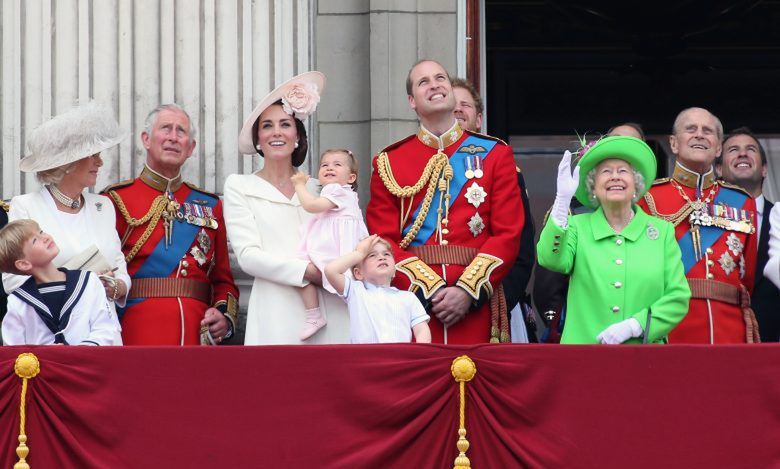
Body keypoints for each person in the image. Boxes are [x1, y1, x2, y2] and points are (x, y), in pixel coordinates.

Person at [367, 60, 524, 344]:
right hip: (414, 307)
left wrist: (467, 290)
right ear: (412, 101)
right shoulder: (389, 161)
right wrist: (428, 289)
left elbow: (508, 234)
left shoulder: (495, 154)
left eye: (440, 78)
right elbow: (383, 240)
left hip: (476, 303)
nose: (435, 84)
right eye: (423, 81)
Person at [225, 71, 349, 345]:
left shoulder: (322, 188)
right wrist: (307, 272)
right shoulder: (240, 186)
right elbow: (248, 256)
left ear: (297, 136)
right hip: (275, 310)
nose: (277, 132)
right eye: (267, 126)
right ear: (258, 139)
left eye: (285, 124)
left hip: (333, 308)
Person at [103, 104, 239, 345]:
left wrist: (223, 315)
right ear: (146, 139)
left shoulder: (210, 205)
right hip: (136, 328)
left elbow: (223, 279)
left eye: (181, 131)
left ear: (191, 148)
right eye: (166, 128)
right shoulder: (115, 200)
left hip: (196, 331)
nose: (173, 137)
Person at [537, 136, 690, 344]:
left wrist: (636, 325)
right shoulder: (576, 227)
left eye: (623, 171)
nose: (615, 177)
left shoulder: (662, 233)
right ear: (593, 187)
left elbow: (678, 297)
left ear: (636, 185)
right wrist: (562, 202)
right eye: (606, 172)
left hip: (644, 357)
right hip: (583, 357)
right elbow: (550, 259)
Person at [3, 102, 130, 346]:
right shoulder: (27, 206)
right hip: (54, 337)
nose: (99, 163)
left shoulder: (103, 206)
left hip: (105, 337)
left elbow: (120, 271)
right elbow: (13, 280)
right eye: (92, 155)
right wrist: (81, 283)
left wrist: (113, 287)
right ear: (67, 163)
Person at [638, 107, 760, 343]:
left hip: (729, 330)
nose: (699, 135)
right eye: (690, 129)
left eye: (708, 131)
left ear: (718, 147)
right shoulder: (648, 197)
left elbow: (747, 277)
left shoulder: (742, 202)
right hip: (671, 327)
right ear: (674, 143)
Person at [452, 77, 537, 342]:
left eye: (465, 105)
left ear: (478, 119)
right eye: (452, 105)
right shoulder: (419, 170)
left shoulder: (504, 167)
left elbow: (520, 246)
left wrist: (495, 299)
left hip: (493, 301)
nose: (457, 110)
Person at [0, 219, 121, 345]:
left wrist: (79, 353)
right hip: (43, 364)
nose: (45, 237)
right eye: (35, 240)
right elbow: (13, 349)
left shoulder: (89, 281)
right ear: (24, 264)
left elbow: (105, 329)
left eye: (41, 232)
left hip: (88, 362)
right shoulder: (18, 301)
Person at [290, 149, 369, 340]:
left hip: (334, 249)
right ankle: (314, 314)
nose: (329, 168)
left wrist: (300, 185)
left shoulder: (337, 190)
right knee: (300, 271)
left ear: (351, 177)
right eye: (324, 165)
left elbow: (311, 206)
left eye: (337, 164)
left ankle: (313, 314)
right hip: (333, 244)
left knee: (299, 271)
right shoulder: (340, 192)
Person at [719, 127, 779, 342]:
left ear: (764, 169)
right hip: (721, 339)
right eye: (733, 150)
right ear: (718, 169)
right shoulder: (704, 222)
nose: (742, 154)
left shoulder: (779, 217)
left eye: (750, 149)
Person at [324, 234, 431, 343]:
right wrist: (359, 253)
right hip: (365, 357)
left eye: (386, 254)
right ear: (358, 273)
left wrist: (419, 355)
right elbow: (331, 270)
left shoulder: (408, 297)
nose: (381, 257)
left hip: (399, 357)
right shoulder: (355, 291)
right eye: (372, 255)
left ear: (394, 270)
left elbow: (421, 330)